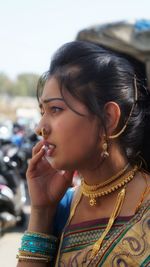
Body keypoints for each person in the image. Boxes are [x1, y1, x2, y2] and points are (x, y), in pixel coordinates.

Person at [16, 41, 150, 266]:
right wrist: (41, 211)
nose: (40, 127)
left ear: (108, 118)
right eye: (42, 111)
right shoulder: (62, 206)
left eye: (55, 109)